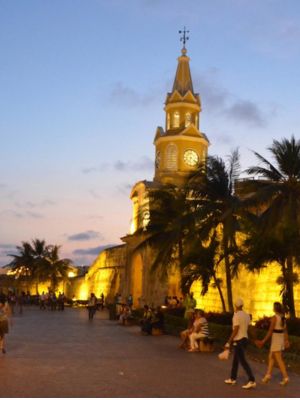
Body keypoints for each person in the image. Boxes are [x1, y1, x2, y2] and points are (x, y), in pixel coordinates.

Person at [224, 298, 256, 389]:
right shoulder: (246, 315)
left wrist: (229, 341)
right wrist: (254, 339)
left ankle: (252, 380)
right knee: (236, 360)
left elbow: (236, 329)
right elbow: (249, 328)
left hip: (239, 340)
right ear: (242, 305)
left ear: (235, 306)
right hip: (245, 339)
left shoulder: (236, 315)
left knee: (242, 361)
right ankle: (232, 378)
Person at [256, 302, 290, 385]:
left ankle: (285, 377)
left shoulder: (275, 318)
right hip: (280, 338)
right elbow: (285, 330)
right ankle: (268, 375)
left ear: (275, 308)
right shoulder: (282, 318)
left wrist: (263, 341)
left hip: (276, 339)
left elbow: (270, 331)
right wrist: (286, 340)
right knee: (271, 357)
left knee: (278, 359)